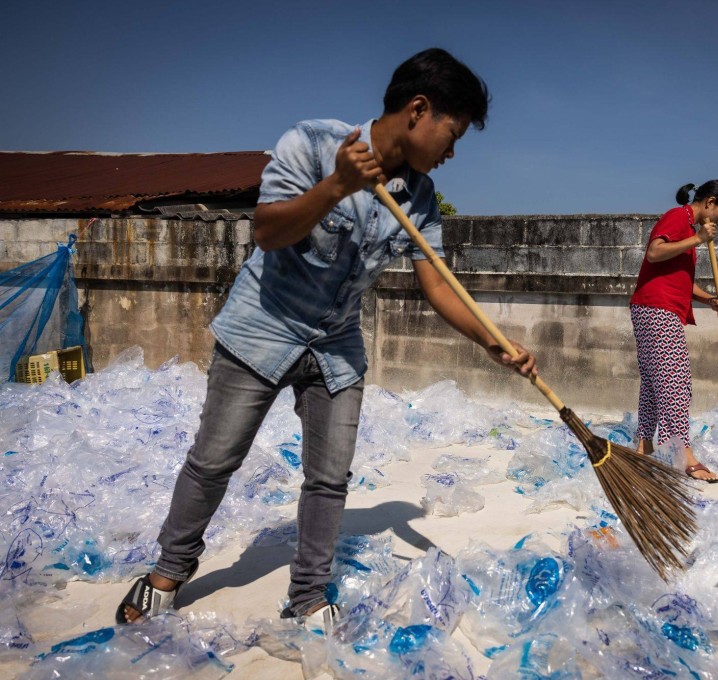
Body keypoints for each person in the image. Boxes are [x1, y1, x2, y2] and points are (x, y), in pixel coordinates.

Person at [117, 48, 537, 630]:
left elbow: (437, 286)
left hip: (336, 345)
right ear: (419, 110)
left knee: (329, 478)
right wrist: (337, 185)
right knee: (214, 461)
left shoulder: (420, 198)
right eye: (453, 132)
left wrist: (490, 343)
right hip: (262, 329)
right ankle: (167, 572)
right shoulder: (312, 144)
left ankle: (307, 597)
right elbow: (267, 231)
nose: (453, 150)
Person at [629, 180, 718, 483]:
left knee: (654, 382)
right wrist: (699, 238)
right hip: (657, 309)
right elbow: (654, 252)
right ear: (710, 202)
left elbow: (681, 281)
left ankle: (644, 443)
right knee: (676, 381)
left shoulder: (690, 231)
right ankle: (683, 454)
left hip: (655, 309)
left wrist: (710, 300)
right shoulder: (679, 218)